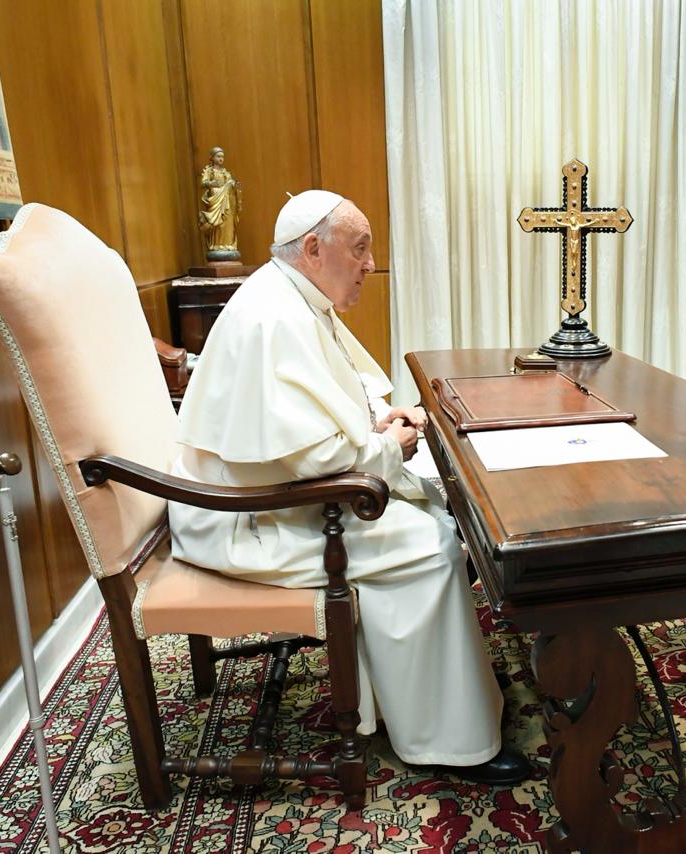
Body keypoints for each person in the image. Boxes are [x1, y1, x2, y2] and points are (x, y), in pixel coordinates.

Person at [169, 190, 530, 785]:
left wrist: (378, 426)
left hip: (280, 496)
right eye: (360, 249)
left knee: (439, 505)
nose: (370, 264)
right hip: (246, 521)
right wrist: (390, 446)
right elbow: (306, 457)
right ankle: (448, 741)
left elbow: (324, 415)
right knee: (433, 542)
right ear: (313, 248)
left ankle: (405, 696)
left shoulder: (293, 296)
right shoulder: (272, 316)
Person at [197, 146, 241, 261]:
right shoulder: (209, 171)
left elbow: (231, 185)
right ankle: (217, 245)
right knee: (218, 224)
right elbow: (203, 183)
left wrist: (234, 186)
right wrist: (211, 183)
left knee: (227, 221)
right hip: (216, 199)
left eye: (222, 157)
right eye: (218, 156)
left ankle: (228, 244)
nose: (221, 159)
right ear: (212, 158)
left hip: (227, 201)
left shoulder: (226, 173)